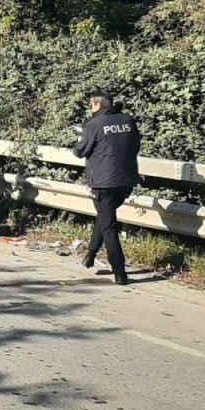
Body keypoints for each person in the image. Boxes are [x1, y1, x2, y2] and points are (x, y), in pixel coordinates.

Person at [72, 89, 142, 285]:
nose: (90, 108)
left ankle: (119, 271)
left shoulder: (94, 124)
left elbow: (80, 151)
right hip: (126, 181)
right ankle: (90, 256)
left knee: (109, 225)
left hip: (103, 183)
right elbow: (136, 146)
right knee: (105, 217)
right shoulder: (128, 121)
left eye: (90, 105)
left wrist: (79, 137)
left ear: (97, 105)